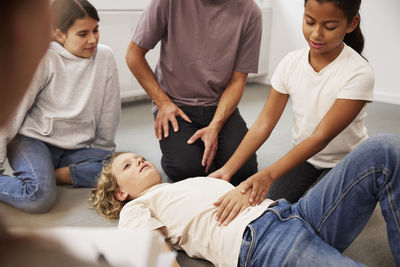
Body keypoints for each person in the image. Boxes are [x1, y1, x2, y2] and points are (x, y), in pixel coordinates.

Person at [90, 134, 400, 267]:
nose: (139, 160)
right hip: (262, 243)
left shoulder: (180, 186)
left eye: (139, 156)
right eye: (127, 165)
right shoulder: (136, 207)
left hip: (292, 213)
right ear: (121, 193)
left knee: (381, 149)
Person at [209, 0, 375, 205]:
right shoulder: (290, 63)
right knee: (264, 205)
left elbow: (321, 137)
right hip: (304, 158)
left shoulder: (358, 72)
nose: (316, 34)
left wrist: (268, 174)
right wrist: (228, 169)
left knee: (311, 213)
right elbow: (263, 123)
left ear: (351, 24)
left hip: (345, 162)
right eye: (310, 21)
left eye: (329, 26)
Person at [0, 0, 121, 213]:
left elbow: (109, 109)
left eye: (96, 30)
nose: (92, 39)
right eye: (83, 34)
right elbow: (13, 112)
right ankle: (46, 174)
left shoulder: (105, 56)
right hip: (34, 140)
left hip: (77, 146)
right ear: (60, 34)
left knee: (122, 169)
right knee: (37, 196)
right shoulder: (43, 58)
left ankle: (56, 173)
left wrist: (104, 151)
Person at [126, 0, 261, 185]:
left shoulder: (250, 11)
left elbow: (237, 81)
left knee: (243, 170)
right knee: (187, 171)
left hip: (219, 106)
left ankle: (211, 148)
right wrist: (163, 103)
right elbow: (133, 55)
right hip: (175, 105)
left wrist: (215, 126)